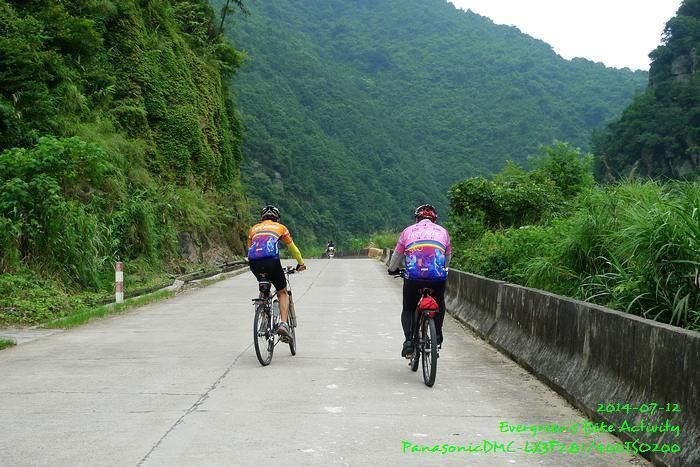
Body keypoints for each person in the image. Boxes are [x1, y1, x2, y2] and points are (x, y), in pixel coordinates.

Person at [387, 204, 451, 357]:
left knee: (409, 308)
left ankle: (409, 342)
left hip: (414, 277)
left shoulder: (407, 231)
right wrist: (442, 269)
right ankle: (437, 334)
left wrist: (392, 269)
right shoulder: (443, 232)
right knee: (439, 301)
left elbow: (397, 256)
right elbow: (447, 258)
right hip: (437, 277)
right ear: (434, 219)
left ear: (417, 218)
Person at [247, 205, 306, 339]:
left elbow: (250, 249)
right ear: (277, 218)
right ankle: (283, 324)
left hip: (254, 263)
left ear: (262, 218)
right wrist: (301, 264)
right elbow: (293, 249)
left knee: (264, 286)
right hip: (271, 261)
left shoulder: (253, 229)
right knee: (282, 291)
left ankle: (263, 321)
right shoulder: (281, 228)